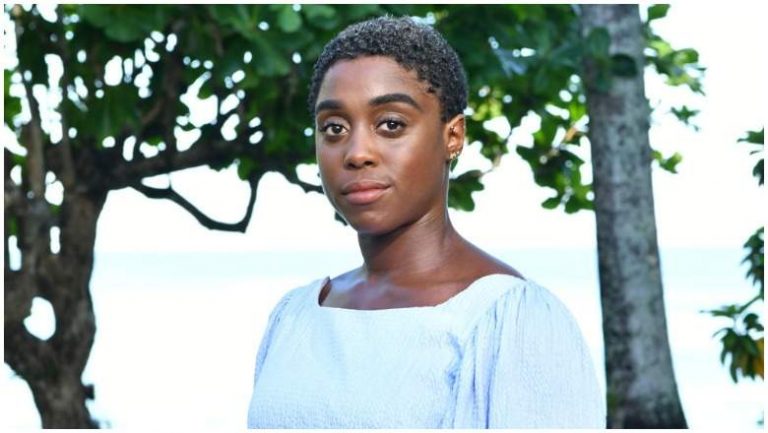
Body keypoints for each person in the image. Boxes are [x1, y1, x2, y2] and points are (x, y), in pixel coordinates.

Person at [247, 16, 605, 428]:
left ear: (453, 136)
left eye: (391, 125)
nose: (357, 152)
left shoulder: (508, 321)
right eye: (334, 128)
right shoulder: (295, 317)